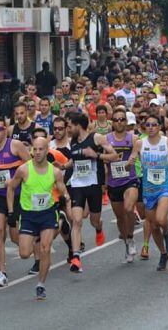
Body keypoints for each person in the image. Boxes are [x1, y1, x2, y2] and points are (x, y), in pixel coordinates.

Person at [6, 137, 69, 299]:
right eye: (35, 149)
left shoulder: (54, 172)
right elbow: (11, 188)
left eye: (41, 149)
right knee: (24, 253)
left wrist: (66, 197)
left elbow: (62, 188)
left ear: (47, 150)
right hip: (28, 215)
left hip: (47, 214)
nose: (37, 152)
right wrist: (12, 212)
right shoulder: (23, 170)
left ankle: (41, 285)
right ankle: (56, 224)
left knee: (45, 249)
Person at [127, 114, 168, 271]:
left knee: (160, 219)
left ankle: (167, 233)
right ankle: (163, 253)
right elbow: (131, 159)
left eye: (154, 124)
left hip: (165, 186)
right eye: (148, 124)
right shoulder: (140, 143)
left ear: (160, 127)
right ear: (145, 127)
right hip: (148, 188)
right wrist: (129, 163)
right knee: (153, 226)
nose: (151, 127)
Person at [67, 112, 119, 272]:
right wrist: (62, 166)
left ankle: (98, 227)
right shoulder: (73, 141)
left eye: (69, 126)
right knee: (76, 221)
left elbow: (115, 156)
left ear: (77, 125)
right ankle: (75, 257)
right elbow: (73, 160)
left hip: (94, 185)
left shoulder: (96, 138)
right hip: (77, 185)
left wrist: (95, 155)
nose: (68, 129)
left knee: (93, 220)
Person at [0, 117, 30, 286]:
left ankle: (39, 248)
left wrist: (15, 181)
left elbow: (30, 165)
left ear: (5, 130)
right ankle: (2, 273)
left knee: (15, 237)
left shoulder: (15, 145)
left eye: (0, 129)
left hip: (17, 195)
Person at [105, 108, 140, 263]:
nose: (119, 122)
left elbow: (135, 152)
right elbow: (103, 157)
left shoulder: (133, 138)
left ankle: (131, 236)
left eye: (122, 119)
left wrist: (131, 160)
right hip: (113, 182)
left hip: (129, 179)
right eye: (116, 119)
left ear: (126, 122)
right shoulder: (106, 138)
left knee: (128, 208)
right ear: (112, 123)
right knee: (120, 217)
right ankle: (127, 241)